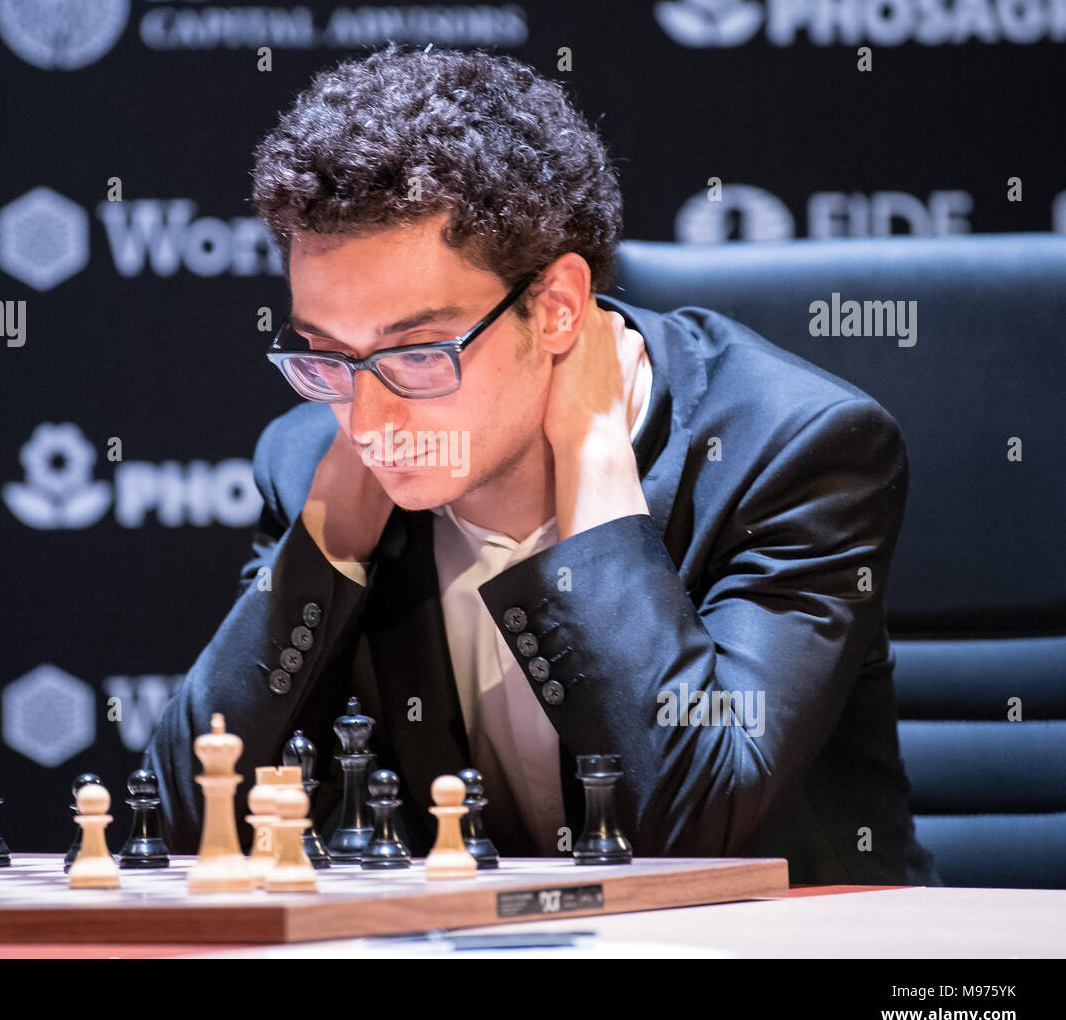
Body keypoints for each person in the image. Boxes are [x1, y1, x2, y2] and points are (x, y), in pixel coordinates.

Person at [144, 44, 942, 886]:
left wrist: (596, 465)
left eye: (415, 352)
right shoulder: (318, 461)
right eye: (327, 355)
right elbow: (183, 822)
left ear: (557, 306)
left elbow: (689, 822)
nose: (369, 420)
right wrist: (333, 531)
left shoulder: (797, 455)